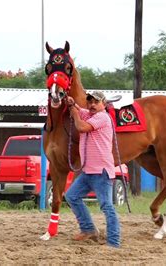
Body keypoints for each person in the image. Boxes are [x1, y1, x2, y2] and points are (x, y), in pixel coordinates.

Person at [64, 91, 121, 248]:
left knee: (107, 206)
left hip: (101, 171)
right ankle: (88, 229)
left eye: (95, 102)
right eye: (89, 102)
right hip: (89, 171)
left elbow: (81, 127)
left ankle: (114, 241)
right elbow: (81, 111)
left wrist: (74, 112)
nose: (92, 105)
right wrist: (73, 104)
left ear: (103, 103)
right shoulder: (91, 115)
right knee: (71, 196)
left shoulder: (102, 117)